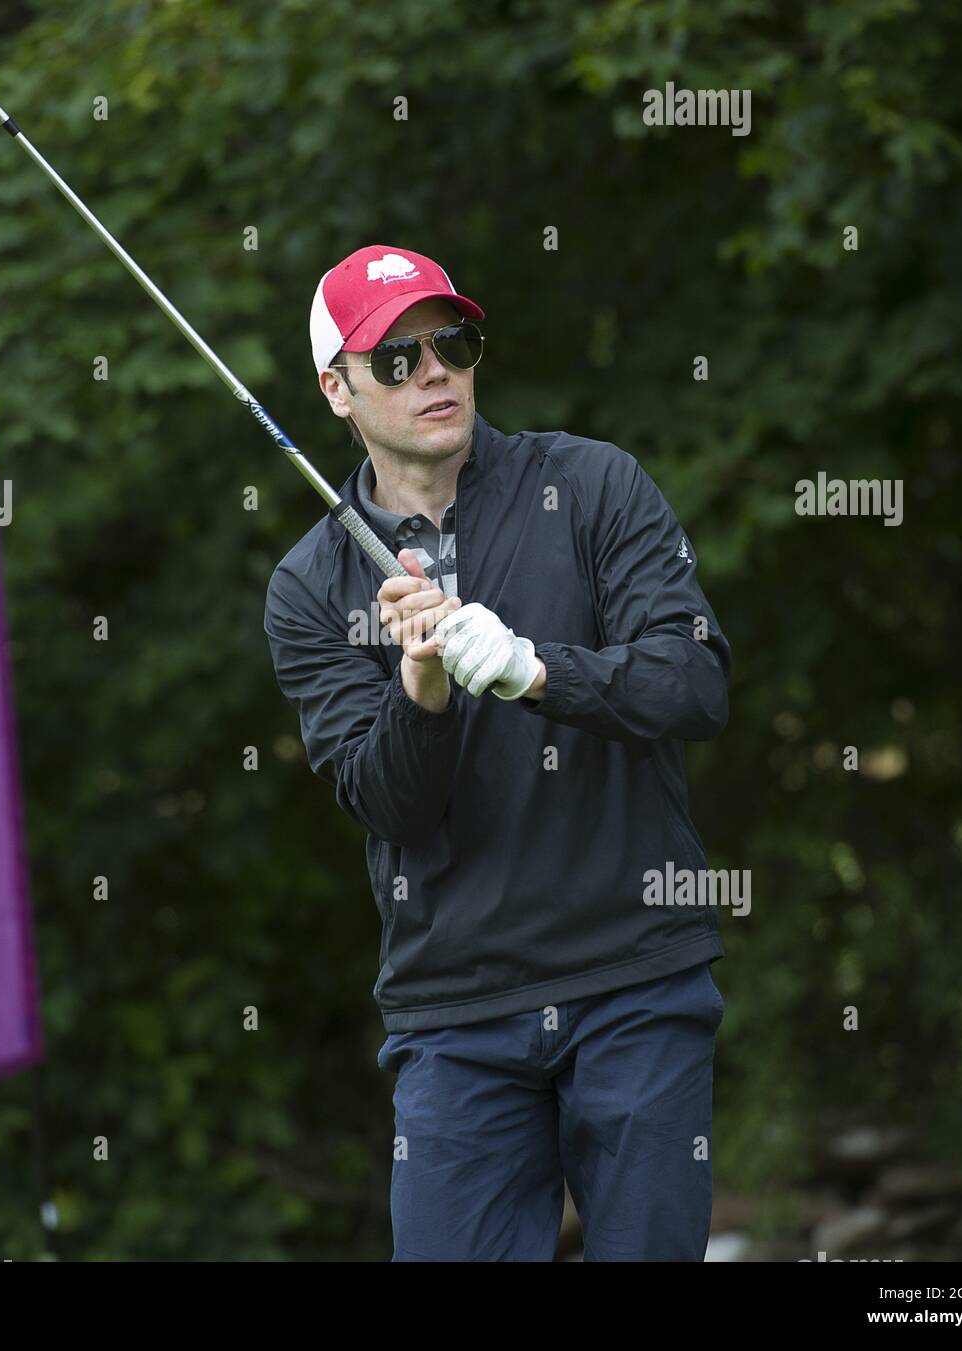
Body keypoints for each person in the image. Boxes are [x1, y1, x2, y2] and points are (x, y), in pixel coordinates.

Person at [264, 244, 732, 1261]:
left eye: (453, 342)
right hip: (455, 1011)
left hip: (634, 980)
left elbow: (693, 683)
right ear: (335, 389)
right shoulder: (309, 586)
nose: (435, 371)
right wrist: (419, 693)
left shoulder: (596, 485)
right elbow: (389, 807)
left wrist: (535, 672)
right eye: (397, 358)